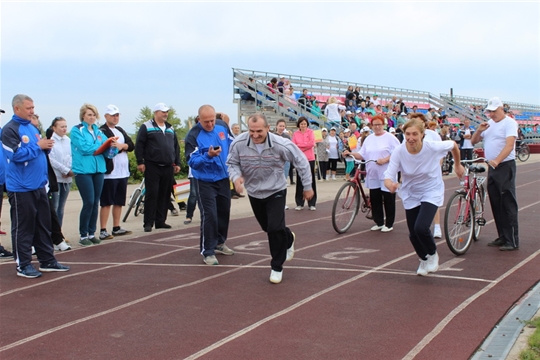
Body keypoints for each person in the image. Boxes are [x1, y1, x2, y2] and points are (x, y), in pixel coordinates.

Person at [227, 113, 314, 284]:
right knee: (268, 227)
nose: (255, 135)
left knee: (274, 227)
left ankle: (276, 266)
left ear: (268, 128)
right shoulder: (238, 143)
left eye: (259, 131)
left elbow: (301, 162)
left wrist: (307, 186)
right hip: (254, 192)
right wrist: (236, 178)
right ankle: (288, 238)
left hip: (276, 190)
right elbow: (232, 163)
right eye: (251, 131)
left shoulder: (281, 144)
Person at [384, 118, 464, 276]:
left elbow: (453, 145)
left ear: (422, 135)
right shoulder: (399, 151)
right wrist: (390, 185)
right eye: (407, 134)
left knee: (421, 227)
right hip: (410, 192)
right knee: (413, 234)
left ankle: (433, 254)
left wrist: (457, 164)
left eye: (415, 134)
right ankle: (423, 258)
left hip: (431, 189)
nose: (411, 138)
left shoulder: (431, 147)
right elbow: (388, 176)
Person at [2, 94, 70, 278]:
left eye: (33, 107)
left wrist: (45, 147)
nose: (32, 111)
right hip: (21, 187)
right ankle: (22, 265)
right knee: (23, 227)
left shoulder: (32, 128)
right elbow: (14, 155)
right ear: (17, 109)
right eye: (28, 108)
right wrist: (38, 146)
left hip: (39, 185)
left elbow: (38, 150)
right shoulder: (9, 130)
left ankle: (47, 260)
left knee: (43, 225)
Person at [185, 104, 234, 265]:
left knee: (224, 211)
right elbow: (192, 161)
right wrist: (208, 155)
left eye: (212, 120)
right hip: (205, 181)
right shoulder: (193, 135)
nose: (210, 124)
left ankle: (220, 242)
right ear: (199, 119)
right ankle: (208, 251)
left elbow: (233, 144)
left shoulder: (222, 127)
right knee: (210, 215)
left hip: (223, 177)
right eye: (206, 122)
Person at [471, 96, 520, 251]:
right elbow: (473, 141)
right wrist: (479, 130)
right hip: (492, 167)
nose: (491, 114)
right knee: (496, 202)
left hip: (505, 166)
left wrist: (497, 160)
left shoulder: (510, 123)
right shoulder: (489, 124)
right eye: (489, 111)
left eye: (493, 111)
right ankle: (502, 236)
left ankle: (512, 240)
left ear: (501, 109)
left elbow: (509, 145)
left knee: (507, 202)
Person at [344, 115, 400, 232]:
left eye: (379, 124)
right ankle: (379, 221)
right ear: (371, 126)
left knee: (388, 199)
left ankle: (389, 223)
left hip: (386, 173)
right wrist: (351, 153)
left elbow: (397, 153)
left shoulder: (390, 138)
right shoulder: (369, 138)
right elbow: (362, 154)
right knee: (375, 198)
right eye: (375, 125)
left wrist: (384, 160)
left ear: (384, 125)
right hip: (372, 173)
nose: (377, 127)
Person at [135, 103, 181, 232]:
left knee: (165, 194)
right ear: (156, 113)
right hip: (152, 165)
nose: (165, 114)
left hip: (168, 166)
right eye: (163, 112)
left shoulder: (170, 128)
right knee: (152, 194)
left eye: (167, 112)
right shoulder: (146, 126)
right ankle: (148, 222)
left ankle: (160, 221)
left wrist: (177, 163)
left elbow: (175, 147)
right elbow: (139, 144)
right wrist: (140, 161)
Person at [71, 103, 110, 246]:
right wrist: (101, 147)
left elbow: (107, 149)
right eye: (89, 114)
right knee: (88, 202)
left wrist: (112, 148)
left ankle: (92, 232)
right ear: (83, 116)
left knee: (95, 202)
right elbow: (84, 148)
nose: (92, 117)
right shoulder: (77, 130)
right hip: (83, 171)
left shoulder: (99, 132)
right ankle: (83, 235)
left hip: (98, 169)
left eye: (93, 115)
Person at [98, 105, 134, 240]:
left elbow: (131, 145)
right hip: (110, 172)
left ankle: (116, 227)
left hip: (122, 171)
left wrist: (122, 146)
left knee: (119, 200)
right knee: (107, 201)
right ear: (106, 116)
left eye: (117, 115)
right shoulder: (102, 131)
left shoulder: (120, 130)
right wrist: (121, 147)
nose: (115, 117)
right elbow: (110, 146)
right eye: (112, 115)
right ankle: (103, 229)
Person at [48, 116, 73, 227]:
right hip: (55, 178)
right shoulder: (51, 141)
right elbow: (51, 159)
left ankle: (59, 233)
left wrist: (69, 170)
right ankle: (51, 233)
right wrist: (65, 169)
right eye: (61, 126)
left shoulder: (68, 140)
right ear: (54, 128)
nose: (64, 129)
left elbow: (71, 156)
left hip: (66, 178)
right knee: (54, 206)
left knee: (61, 207)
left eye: (65, 126)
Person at [291, 116, 317, 210]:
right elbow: (294, 145)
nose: (303, 125)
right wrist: (303, 146)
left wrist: (300, 146)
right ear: (299, 124)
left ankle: (312, 203)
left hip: (310, 159)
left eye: (305, 124)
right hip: (299, 160)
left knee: (311, 180)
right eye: (301, 124)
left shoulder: (310, 132)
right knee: (299, 180)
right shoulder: (295, 134)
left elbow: (311, 143)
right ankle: (299, 203)